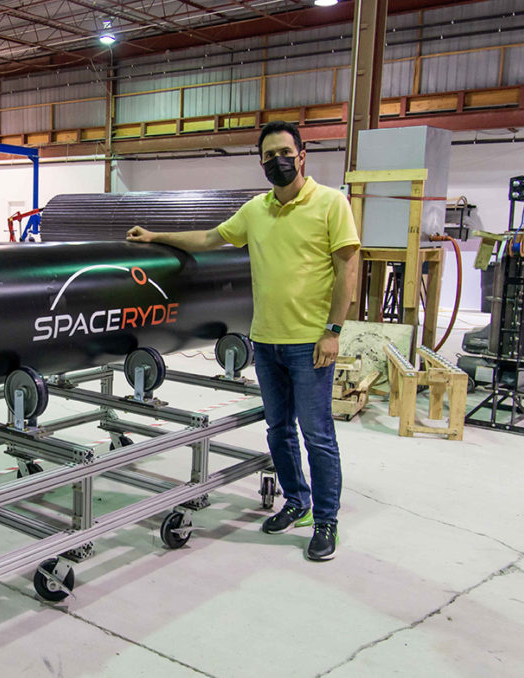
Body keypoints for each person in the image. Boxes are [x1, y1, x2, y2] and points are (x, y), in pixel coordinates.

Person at [126, 120, 360, 561]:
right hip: (266, 342)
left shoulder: (331, 203)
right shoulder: (256, 210)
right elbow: (211, 238)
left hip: (310, 343)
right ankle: (297, 502)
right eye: (269, 156)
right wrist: (156, 236)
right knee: (278, 431)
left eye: (285, 153)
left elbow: (348, 268)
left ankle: (326, 519)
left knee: (317, 435)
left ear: (302, 154)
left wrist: (333, 331)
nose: (278, 162)